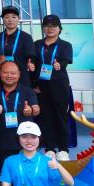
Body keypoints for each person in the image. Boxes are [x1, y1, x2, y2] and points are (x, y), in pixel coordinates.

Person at [31, 15, 76, 160]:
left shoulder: (65, 45)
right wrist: (33, 83)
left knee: (60, 117)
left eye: (53, 26)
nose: (50, 29)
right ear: (43, 28)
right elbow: (33, 64)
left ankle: (63, 149)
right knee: (46, 118)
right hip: (41, 87)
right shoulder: (37, 44)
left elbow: (65, 62)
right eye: (47, 26)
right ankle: (49, 148)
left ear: (59, 29)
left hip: (59, 87)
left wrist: (59, 65)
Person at [0, 59, 39, 167]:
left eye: (13, 73)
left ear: (19, 74)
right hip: (2, 143)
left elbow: (36, 109)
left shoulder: (27, 91)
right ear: (0, 73)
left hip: (24, 142)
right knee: (5, 173)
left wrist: (31, 110)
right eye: (5, 72)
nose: (9, 76)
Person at [0, 6, 36, 83]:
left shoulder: (26, 37)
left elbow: (31, 57)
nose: (10, 20)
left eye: (14, 17)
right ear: (3, 19)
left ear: (18, 18)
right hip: (2, 77)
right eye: (7, 17)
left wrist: (31, 63)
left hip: (21, 78)